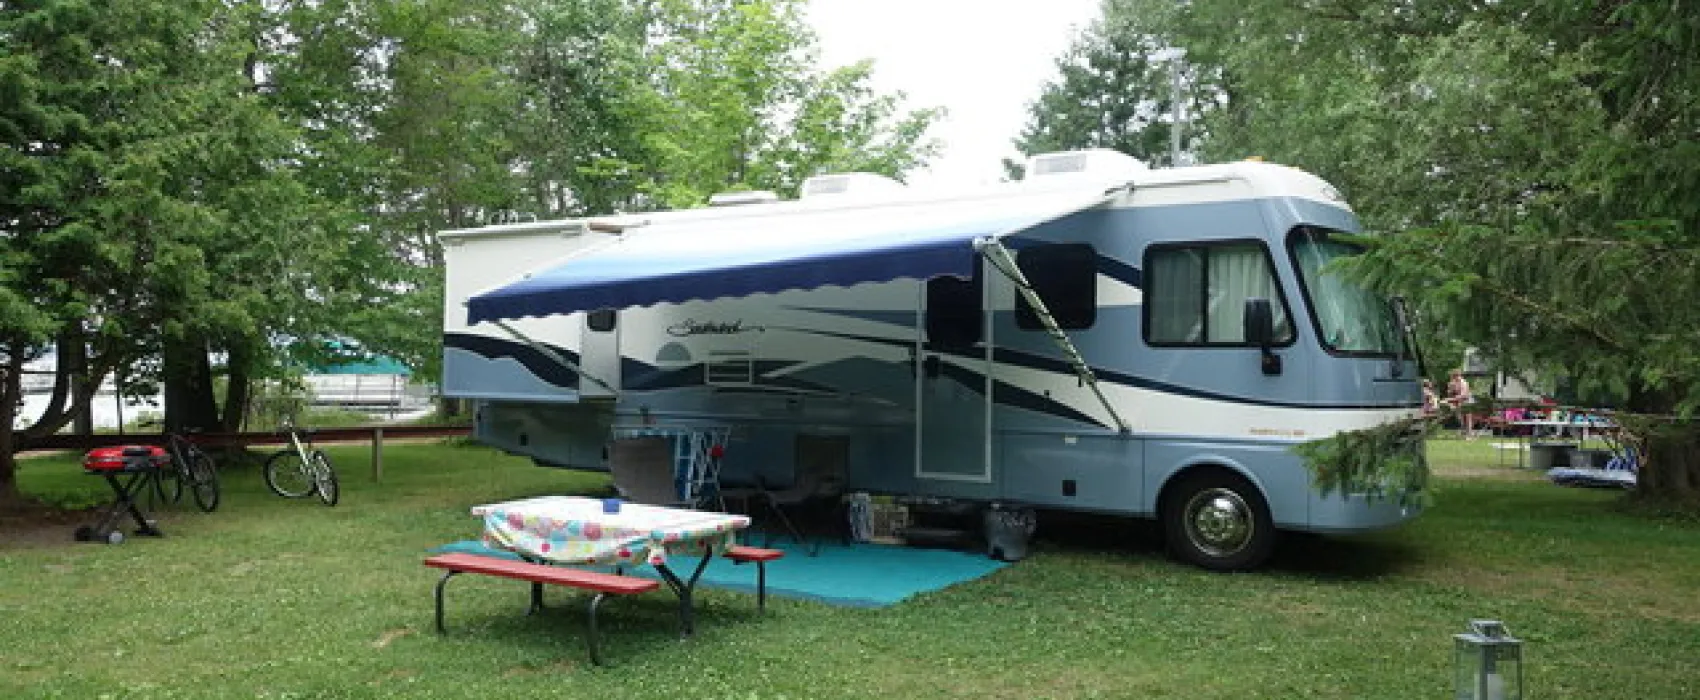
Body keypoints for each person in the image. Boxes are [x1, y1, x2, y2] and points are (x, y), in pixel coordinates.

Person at [1447, 368, 1475, 438]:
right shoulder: (1454, 382)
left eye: (1453, 376)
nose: (1452, 378)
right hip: (1460, 401)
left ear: (1456, 376)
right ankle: (1463, 432)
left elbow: (1464, 395)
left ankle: (1469, 433)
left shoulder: (1463, 383)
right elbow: (1451, 392)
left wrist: (1452, 398)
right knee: (1461, 417)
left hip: (1467, 400)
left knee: (1467, 417)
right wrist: (1450, 388)